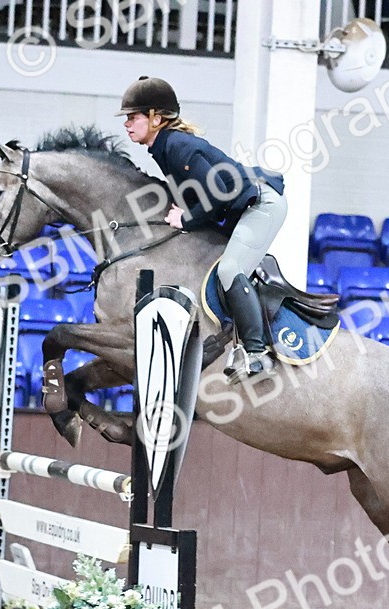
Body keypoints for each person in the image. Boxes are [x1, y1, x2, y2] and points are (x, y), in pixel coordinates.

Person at [119, 75, 286, 383]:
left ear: (156, 118)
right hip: (242, 206)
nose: (127, 124)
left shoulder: (178, 146)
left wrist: (185, 220)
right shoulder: (164, 148)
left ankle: (258, 354)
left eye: (133, 117)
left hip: (261, 205)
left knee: (229, 269)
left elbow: (219, 192)